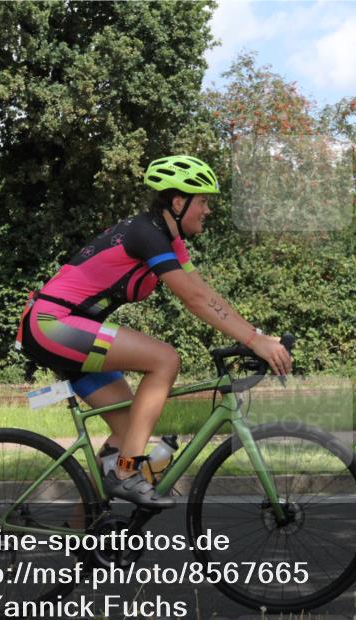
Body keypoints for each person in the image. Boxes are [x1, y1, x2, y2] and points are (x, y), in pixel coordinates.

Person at [17, 155, 292, 507]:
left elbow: (206, 294)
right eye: (203, 200)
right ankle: (128, 472)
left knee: (127, 428)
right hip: (52, 324)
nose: (208, 209)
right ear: (178, 202)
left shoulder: (169, 240)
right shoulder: (146, 234)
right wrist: (254, 342)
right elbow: (193, 299)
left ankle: (91, 542)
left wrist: (257, 336)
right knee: (164, 360)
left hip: (69, 328)